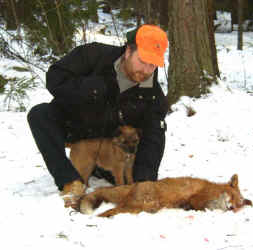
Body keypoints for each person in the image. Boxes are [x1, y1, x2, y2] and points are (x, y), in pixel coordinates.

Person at [27, 24, 169, 209]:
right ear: (128, 52)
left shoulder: (152, 94)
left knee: (155, 129)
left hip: (108, 146)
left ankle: (98, 167)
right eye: (142, 61)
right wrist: (92, 88)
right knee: (39, 114)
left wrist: (144, 181)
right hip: (75, 124)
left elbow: (153, 137)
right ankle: (69, 180)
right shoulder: (93, 55)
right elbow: (55, 78)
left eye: (153, 65)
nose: (146, 70)